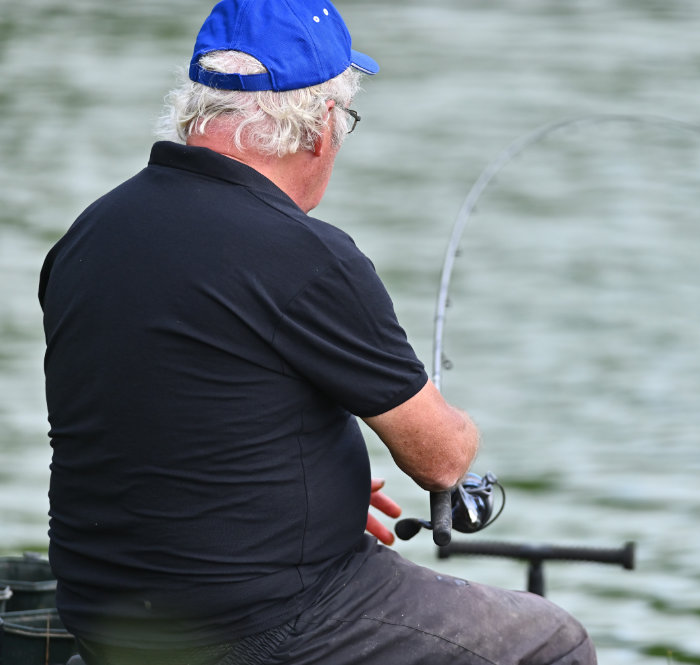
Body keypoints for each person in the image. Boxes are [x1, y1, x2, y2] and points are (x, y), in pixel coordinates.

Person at [39, 0, 596, 664]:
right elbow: (440, 458)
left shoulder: (89, 237)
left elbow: (165, 409)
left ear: (196, 110)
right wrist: (462, 429)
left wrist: (301, 484)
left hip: (107, 615)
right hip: (263, 620)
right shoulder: (303, 255)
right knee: (551, 639)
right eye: (347, 121)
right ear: (322, 125)